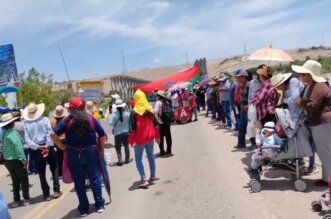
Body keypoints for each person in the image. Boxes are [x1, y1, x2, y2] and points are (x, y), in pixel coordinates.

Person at [51, 97, 106, 216]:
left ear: (71, 108)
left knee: (79, 181)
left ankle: (84, 209)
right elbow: (102, 135)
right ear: (83, 107)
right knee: (95, 178)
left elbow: (53, 134)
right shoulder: (90, 118)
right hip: (91, 152)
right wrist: (101, 149)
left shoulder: (67, 121)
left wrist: (61, 146)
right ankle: (100, 204)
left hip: (74, 154)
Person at [292, 60, 331, 187]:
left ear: (311, 74)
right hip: (318, 123)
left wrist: (300, 102)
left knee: (324, 152)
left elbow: (312, 106)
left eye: (304, 74)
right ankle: (327, 178)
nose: (302, 76)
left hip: (322, 124)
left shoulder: (319, 86)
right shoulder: (312, 85)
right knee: (323, 152)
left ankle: (328, 180)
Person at [23, 103, 62, 201]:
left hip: (36, 150)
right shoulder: (44, 120)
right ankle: (56, 190)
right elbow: (49, 133)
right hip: (47, 146)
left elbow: (28, 140)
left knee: (41, 171)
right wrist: (47, 145)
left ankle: (46, 194)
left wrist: (37, 147)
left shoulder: (26, 124)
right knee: (54, 168)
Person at [129, 89, 160, 187]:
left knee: (138, 159)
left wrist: (131, 141)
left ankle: (144, 179)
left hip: (139, 139)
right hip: (150, 137)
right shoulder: (150, 109)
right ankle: (153, 176)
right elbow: (156, 124)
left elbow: (131, 128)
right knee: (151, 156)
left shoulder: (134, 112)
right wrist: (157, 137)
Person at [1, 113, 30, 207]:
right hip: (16, 160)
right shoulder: (13, 133)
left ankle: (16, 200)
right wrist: (23, 160)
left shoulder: (3, 133)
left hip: (7, 160)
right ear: (11, 123)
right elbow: (18, 148)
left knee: (15, 180)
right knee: (24, 179)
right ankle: (26, 199)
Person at [12, 110, 38, 175]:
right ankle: (30, 171)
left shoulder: (11, 127)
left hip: (16, 147)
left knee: (20, 161)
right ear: (20, 117)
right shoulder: (23, 125)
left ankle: (22, 173)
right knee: (28, 160)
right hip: (26, 145)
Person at [109, 99, 130, 166]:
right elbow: (129, 121)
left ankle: (120, 160)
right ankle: (127, 159)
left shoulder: (114, 115)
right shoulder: (127, 113)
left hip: (117, 132)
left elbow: (111, 123)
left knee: (118, 147)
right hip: (126, 131)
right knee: (126, 146)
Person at [50, 105, 68, 178]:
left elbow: (52, 131)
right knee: (67, 156)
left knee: (59, 157)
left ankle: (60, 172)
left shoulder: (52, 121)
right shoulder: (65, 120)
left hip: (57, 140)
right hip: (66, 139)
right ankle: (67, 172)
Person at [235, 70, 251, 148]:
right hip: (243, 109)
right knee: (242, 127)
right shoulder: (241, 85)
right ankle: (241, 143)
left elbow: (251, 98)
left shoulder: (249, 85)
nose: (237, 79)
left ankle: (255, 143)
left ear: (244, 77)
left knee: (252, 127)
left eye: (239, 77)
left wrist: (248, 106)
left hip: (249, 110)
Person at [154, 90, 173, 156]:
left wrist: (158, 121)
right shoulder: (167, 101)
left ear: (159, 96)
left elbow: (155, 112)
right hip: (168, 121)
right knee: (168, 136)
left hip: (161, 122)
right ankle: (169, 150)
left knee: (161, 137)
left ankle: (162, 151)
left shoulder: (158, 102)